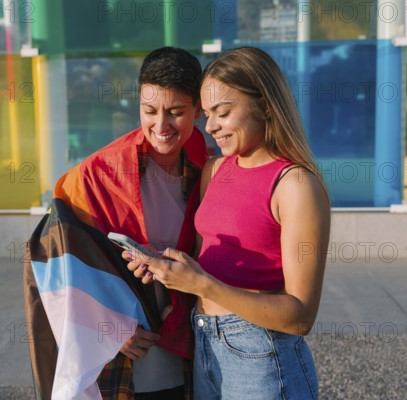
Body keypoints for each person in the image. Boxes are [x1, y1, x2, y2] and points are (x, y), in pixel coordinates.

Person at [125, 46, 331, 399]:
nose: (210, 127)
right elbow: (207, 263)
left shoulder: (295, 185)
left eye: (223, 112)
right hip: (205, 346)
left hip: (262, 358)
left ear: (265, 105)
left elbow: (301, 316)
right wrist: (162, 264)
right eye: (207, 114)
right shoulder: (215, 170)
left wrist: (203, 285)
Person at [24, 47, 209, 399]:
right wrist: (106, 328)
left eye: (176, 112)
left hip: (192, 349)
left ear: (198, 110)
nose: (161, 125)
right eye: (150, 110)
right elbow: (56, 258)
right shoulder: (99, 173)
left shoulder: (210, 171)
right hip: (120, 360)